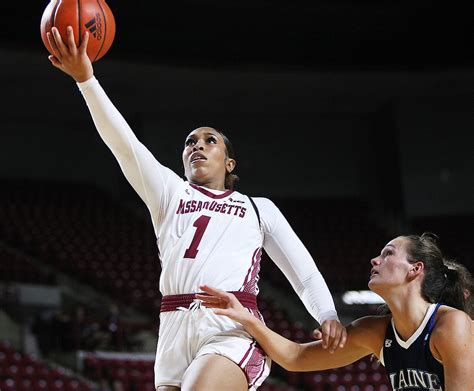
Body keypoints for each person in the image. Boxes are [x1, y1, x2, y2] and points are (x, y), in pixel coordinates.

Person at [45, 27, 346, 390]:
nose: (197, 146)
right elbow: (124, 143)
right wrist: (86, 80)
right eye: (190, 142)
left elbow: (304, 273)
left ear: (229, 163)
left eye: (209, 140)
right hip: (173, 328)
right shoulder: (169, 193)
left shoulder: (257, 208)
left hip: (230, 327)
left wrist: (327, 314)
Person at [197, 233, 474, 390]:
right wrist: (245, 317)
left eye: (388, 253)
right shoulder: (375, 332)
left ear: (415, 269)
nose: (375, 259)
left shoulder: (451, 325)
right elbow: (295, 357)